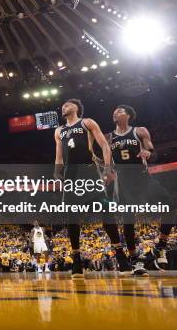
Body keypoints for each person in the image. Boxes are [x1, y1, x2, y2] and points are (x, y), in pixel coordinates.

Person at [53, 99, 130, 278]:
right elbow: (58, 156)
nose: (64, 107)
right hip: (70, 175)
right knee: (72, 218)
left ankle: (121, 257)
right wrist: (57, 174)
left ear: (77, 108)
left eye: (67, 105)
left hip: (88, 171)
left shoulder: (86, 122)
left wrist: (109, 168)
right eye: (63, 106)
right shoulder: (59, 131)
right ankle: (77, 261)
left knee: (106, 211)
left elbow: (104, 144)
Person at [109, 105, 173, 273]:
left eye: (120, 111)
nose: (115, 112)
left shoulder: (139, 131)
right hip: (123, 180)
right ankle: (134, 259)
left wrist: (148, 154)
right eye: (114, 111)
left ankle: (160, 246)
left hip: (143, 176)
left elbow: (154, 153)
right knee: (128, 220)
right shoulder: (109, 137)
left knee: (170, 205)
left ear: (128, 115)